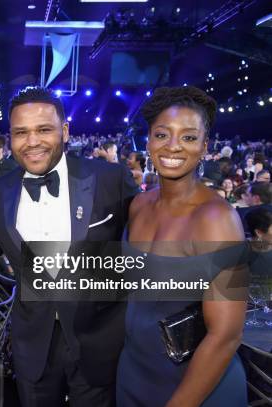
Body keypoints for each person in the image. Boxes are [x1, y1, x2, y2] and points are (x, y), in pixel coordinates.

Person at [0, 87, 139, 407]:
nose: (32, 141)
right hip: (33, 343)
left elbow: (144, 245)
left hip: (99, 340)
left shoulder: (110, 179)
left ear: (65, 131)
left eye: (44, 129)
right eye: (21, 132)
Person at [117, 86, 247, 406]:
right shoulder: (138, 206)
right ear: (147, 141)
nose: (173, 146)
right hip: (133, 373)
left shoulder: (217, 220)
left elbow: (225, 336)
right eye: (162, 134)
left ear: (204, 146)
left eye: (188, 137)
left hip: (196, 387)